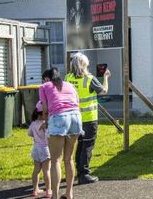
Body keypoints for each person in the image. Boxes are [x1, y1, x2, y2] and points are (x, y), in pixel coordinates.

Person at [65, 52, 110, 185]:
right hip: (88, 119)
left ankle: (77, 171)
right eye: (87, 63)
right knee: (87, 145)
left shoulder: (67, 77)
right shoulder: (89, 78)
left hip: (73, 117)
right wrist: (106, 77)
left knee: (78, 144)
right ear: (84, 64)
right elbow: (103, 91)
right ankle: (84, 174)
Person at [40, 67, 83, 199]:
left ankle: (55, 196)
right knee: (68, 158)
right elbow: (77, 102)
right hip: (75, 117)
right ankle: (69, 194)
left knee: (55, 161)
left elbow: (45, 108)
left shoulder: (44, 86)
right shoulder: (69, 85)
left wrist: (46, 121)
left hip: (58, 117)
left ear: (47, 78)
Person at [28, 101, 51, 198]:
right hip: (45, 149)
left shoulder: (33, 124)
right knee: (46, 171)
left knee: (36, 170)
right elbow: (48, 137)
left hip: (36, 149)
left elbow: (29, 134)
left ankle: (35, 190)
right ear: (44, 113)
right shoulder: (46, 125)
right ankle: (48, 191)